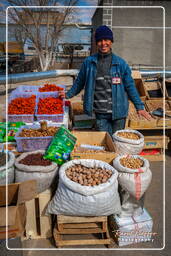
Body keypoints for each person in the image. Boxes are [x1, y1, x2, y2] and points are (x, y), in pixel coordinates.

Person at [59, 25, 151, 135]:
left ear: (111, 41)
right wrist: (68, 94)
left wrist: (139, 106)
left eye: (106, 40)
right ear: (96, 42)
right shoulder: (89, 63)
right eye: (100, 40)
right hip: (100, 114)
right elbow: (79, 82)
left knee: (117, 143)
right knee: (105, 145)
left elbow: (130, 86)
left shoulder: (120, 64)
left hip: (119, 114)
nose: (103, 43)